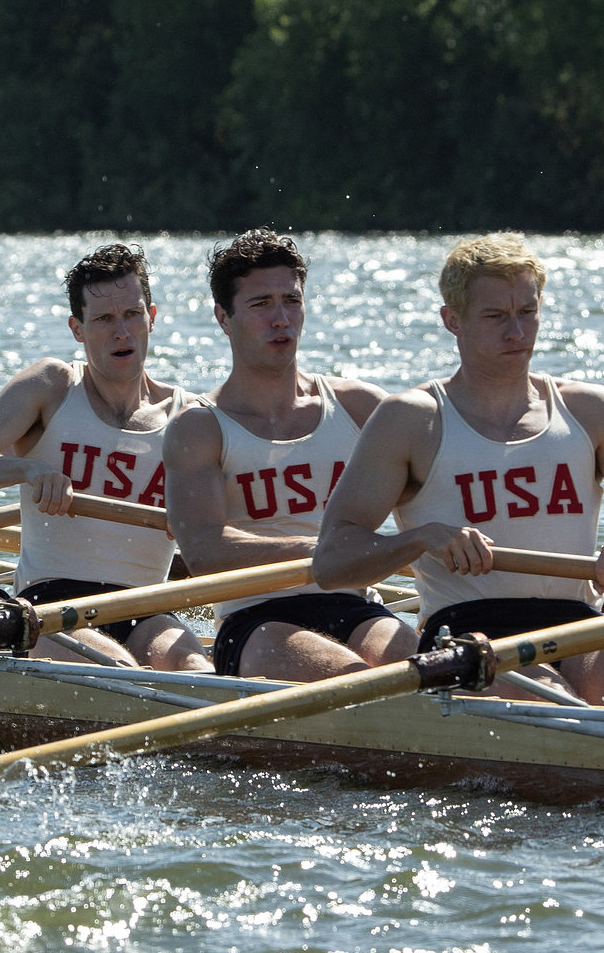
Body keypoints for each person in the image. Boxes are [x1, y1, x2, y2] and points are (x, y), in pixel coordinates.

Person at [313, 234, 604, 707]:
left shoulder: (592, 411)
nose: (517, 333)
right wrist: (421, 539)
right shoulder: (412, 420)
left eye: (527, 312)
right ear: (452, 320)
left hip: (577, 621)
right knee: (554, 703)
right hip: (467, 634)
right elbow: (332, 559)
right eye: (496, 317)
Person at [0, 243, 212, 670]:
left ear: (151, 318)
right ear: (77, 329)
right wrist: (27, 469)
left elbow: (230, 525)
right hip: (50, 604)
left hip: (147, 607)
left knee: (199, 675)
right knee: (123, 675)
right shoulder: (53, 386)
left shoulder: (189, 416)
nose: (121, 332)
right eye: (102, 319)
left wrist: (201, 524)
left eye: (132, 315)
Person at [163, 227, 418, 681]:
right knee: (360, 679)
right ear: (224, 318)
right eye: (261, 305)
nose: (281, 319)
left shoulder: (361, 407)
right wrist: (321, 549)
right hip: (256, 618)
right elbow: (201, 550)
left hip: (355, 605)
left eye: (291, 301)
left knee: (431, 673)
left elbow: (440, 495)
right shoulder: (199, 426)